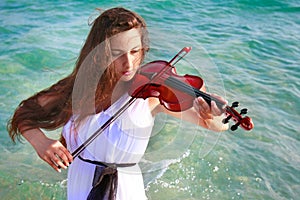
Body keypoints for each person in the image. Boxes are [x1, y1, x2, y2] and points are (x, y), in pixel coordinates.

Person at [7, 7, 228, 200]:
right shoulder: (77, 89)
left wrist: (212, 114)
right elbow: (25, 111)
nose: (129, 63)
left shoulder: (151, 95)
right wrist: (41, 142)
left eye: (135, 52)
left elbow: (217, 125)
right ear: (99, 54)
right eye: (117, 54)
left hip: (126, 191)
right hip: (79, 189)